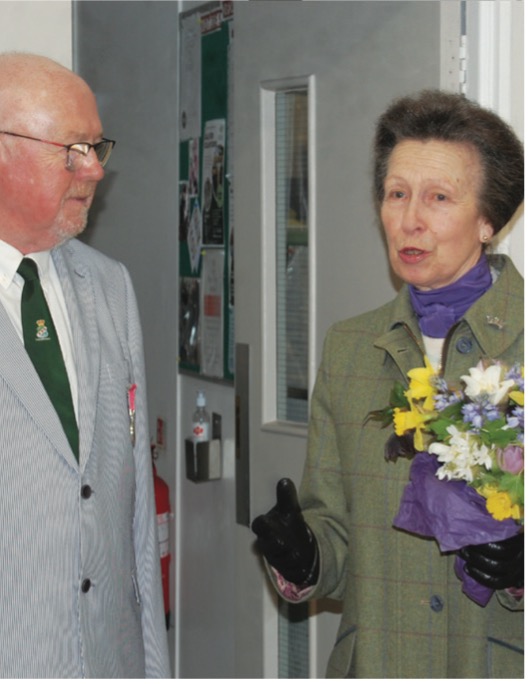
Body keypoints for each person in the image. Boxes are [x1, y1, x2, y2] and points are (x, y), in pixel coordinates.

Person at [252, 90, 524, 678]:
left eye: (439, 198)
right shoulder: (350, 346)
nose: (409, 219)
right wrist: (305, 555)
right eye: (396, 194)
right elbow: (336, 529)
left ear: (489, 219)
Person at [0, 52, 170, 677]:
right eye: (71, 149)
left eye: (97, 146)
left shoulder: (109, 286)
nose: (95, 169)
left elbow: (130, 514)